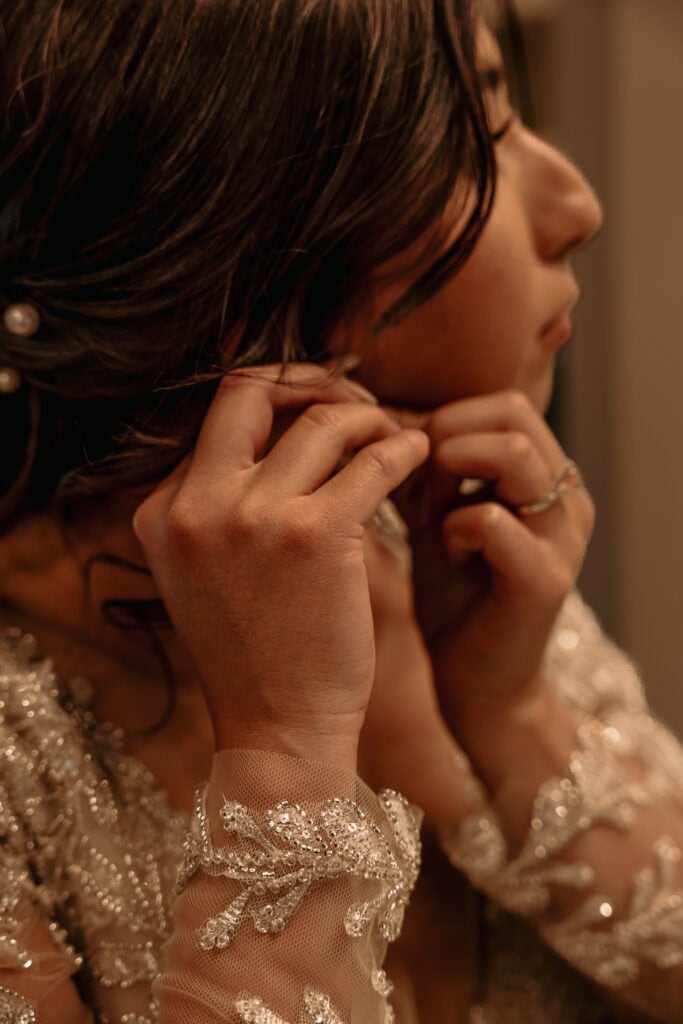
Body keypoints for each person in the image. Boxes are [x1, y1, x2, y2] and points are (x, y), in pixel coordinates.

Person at [0, 1, 680, 1022]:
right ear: (242, 230)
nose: (576, 204)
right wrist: (283, 751)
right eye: (472, 137)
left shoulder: (422, 545)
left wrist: (513, 714)